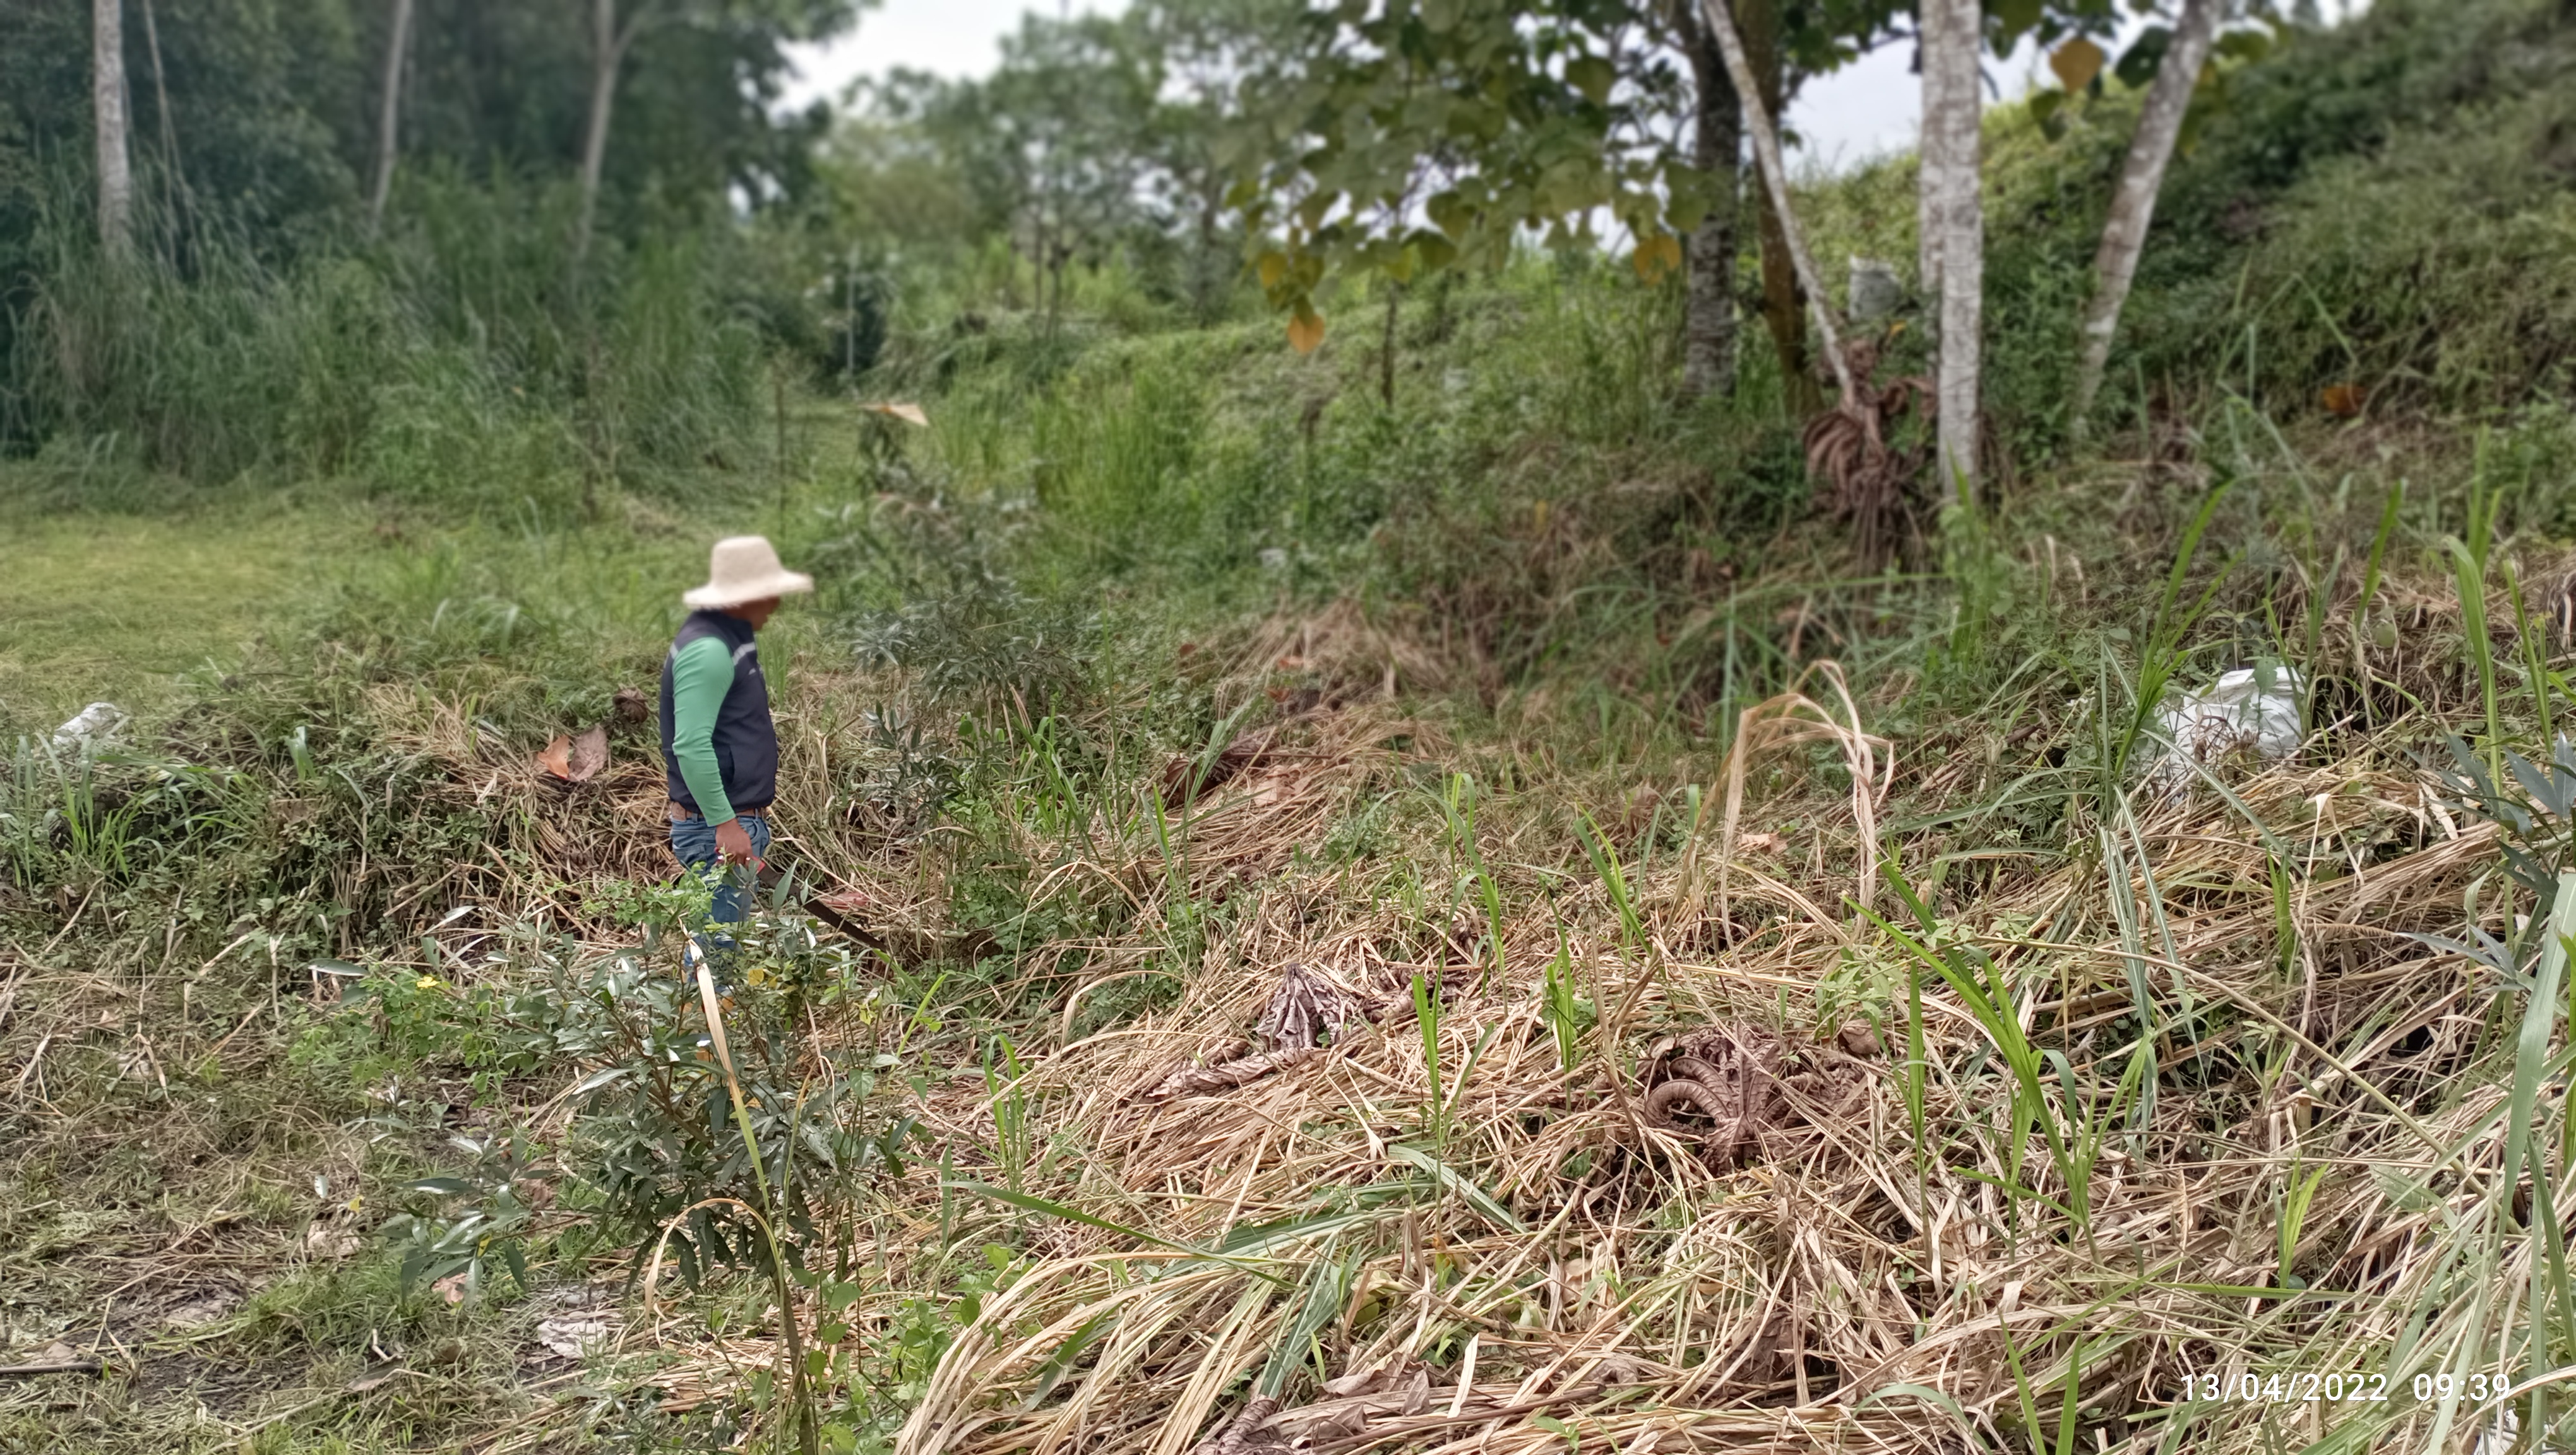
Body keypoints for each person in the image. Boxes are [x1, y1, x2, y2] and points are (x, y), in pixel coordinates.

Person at [660, 536, 813, 940]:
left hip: (726, 824)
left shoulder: (730, 637)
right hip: (716, 831)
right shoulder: (709, 650)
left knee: (723, 947)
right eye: (769, 592)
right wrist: (725, 825)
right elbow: (691, 745)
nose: (776, 602)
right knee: (718, 954)